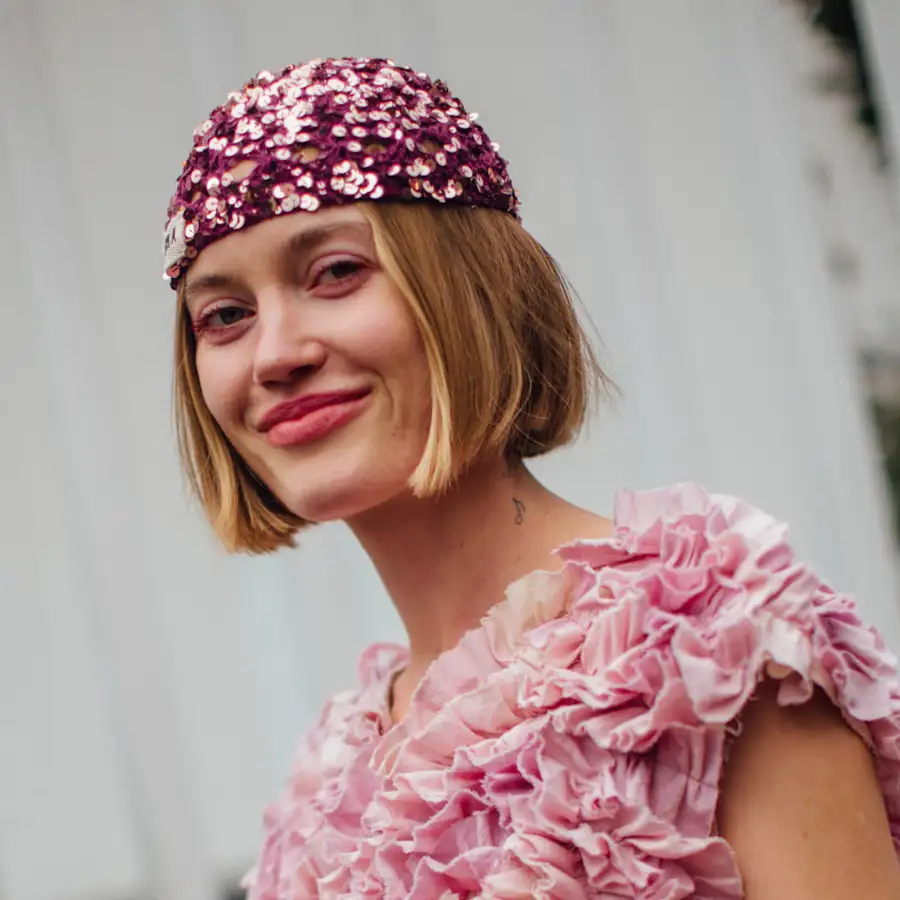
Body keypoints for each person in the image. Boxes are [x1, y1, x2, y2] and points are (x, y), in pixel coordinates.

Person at [163, 57, 900, 899]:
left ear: (471, 288)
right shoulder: (325, 790)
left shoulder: (711, 653)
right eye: (225, 316)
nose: (277, 354)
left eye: (336, 273)